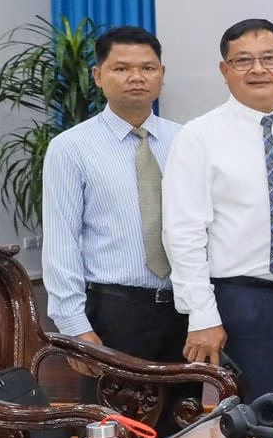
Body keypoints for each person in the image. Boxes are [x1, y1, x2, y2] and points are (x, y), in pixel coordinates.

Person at [163, 19, 273, 400]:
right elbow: (183, 232)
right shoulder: (199, 136)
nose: (258, 69)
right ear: (225, 70)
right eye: (243, 60)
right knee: (261, 416)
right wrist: (202, 314)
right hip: (245, 302)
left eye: (270, 58)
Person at [41, 25, 186, 362]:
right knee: (113, 400)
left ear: (162, 74)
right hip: (114, 310)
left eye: (148, 68)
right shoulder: (71, 147)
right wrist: (75, 327)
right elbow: (62, 241)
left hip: (183, 309)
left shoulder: (185, 140)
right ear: (98, 75)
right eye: (121, 68)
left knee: (186, 398)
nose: (136, 77)